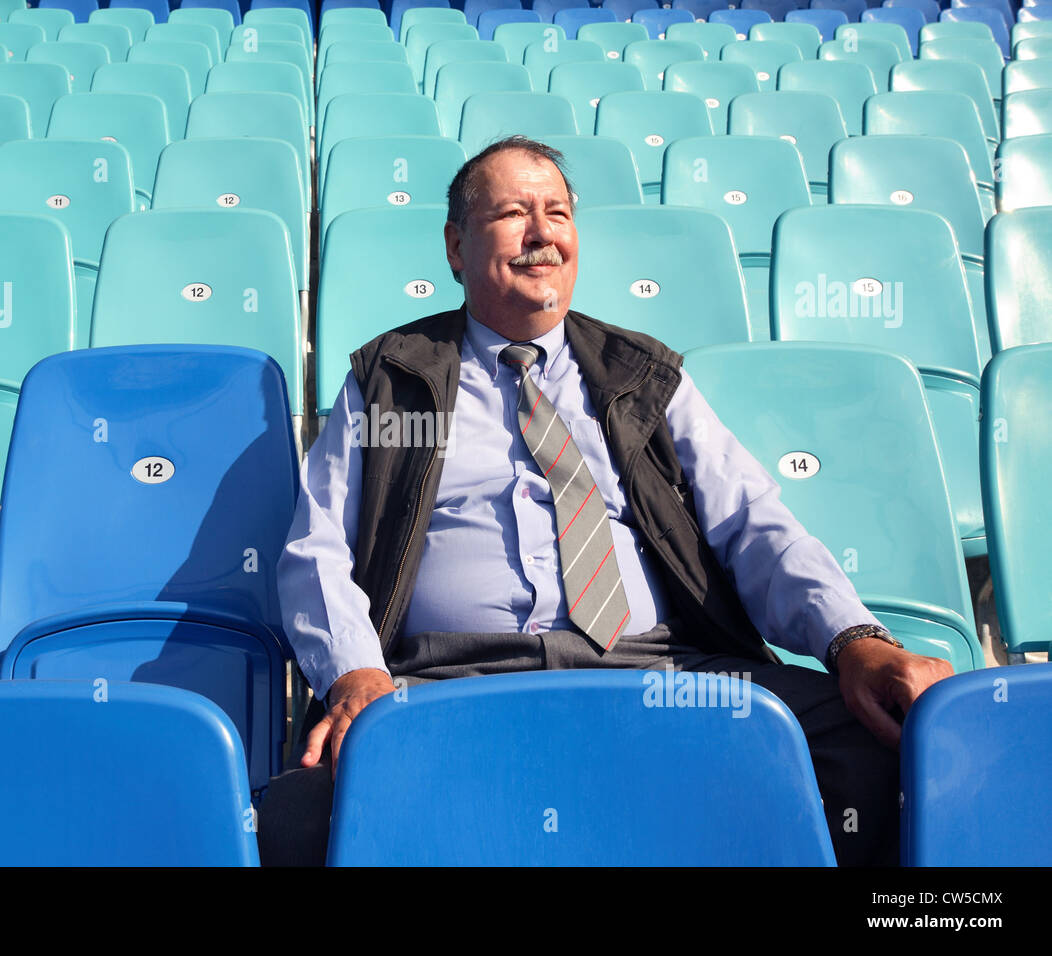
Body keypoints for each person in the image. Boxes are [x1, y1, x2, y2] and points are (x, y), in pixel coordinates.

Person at [264, 135, 953, 866]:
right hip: (450, 681)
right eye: (512, 214)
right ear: (455, 245)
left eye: (557, 213)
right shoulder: (395, 379)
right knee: (306, 816)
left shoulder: (641, 377)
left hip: (657, 676)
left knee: (871, 750)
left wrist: (852, 640)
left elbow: (756, 526)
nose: (542, 233)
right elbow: (317, 547)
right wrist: (355, 671)